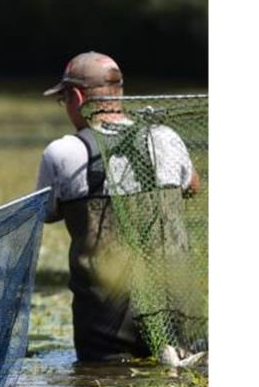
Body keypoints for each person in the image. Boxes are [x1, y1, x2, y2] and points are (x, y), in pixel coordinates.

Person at [37, 51, 199, 362]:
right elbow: (192, 185)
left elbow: (47, 212)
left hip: (105, 322)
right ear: (120, 94)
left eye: (63, 100)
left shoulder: (63, 152)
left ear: (77, 96)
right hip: (176, 311)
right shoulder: (165, 137)